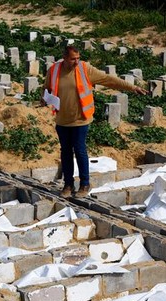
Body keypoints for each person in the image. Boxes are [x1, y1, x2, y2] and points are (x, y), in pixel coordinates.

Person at [43, 46, 147, 198]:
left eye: (78, 58)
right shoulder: (54, 70)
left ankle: (85, 184)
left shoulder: (85, 69)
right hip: (62, 120)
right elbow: (47, 88)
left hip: (81, 119)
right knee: (65, 152)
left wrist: (132, 87)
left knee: (79, 150)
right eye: (73, 59)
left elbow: (108, 80)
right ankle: (68, 184)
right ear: (64, 58)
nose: (76, 62)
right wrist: (44, 97)